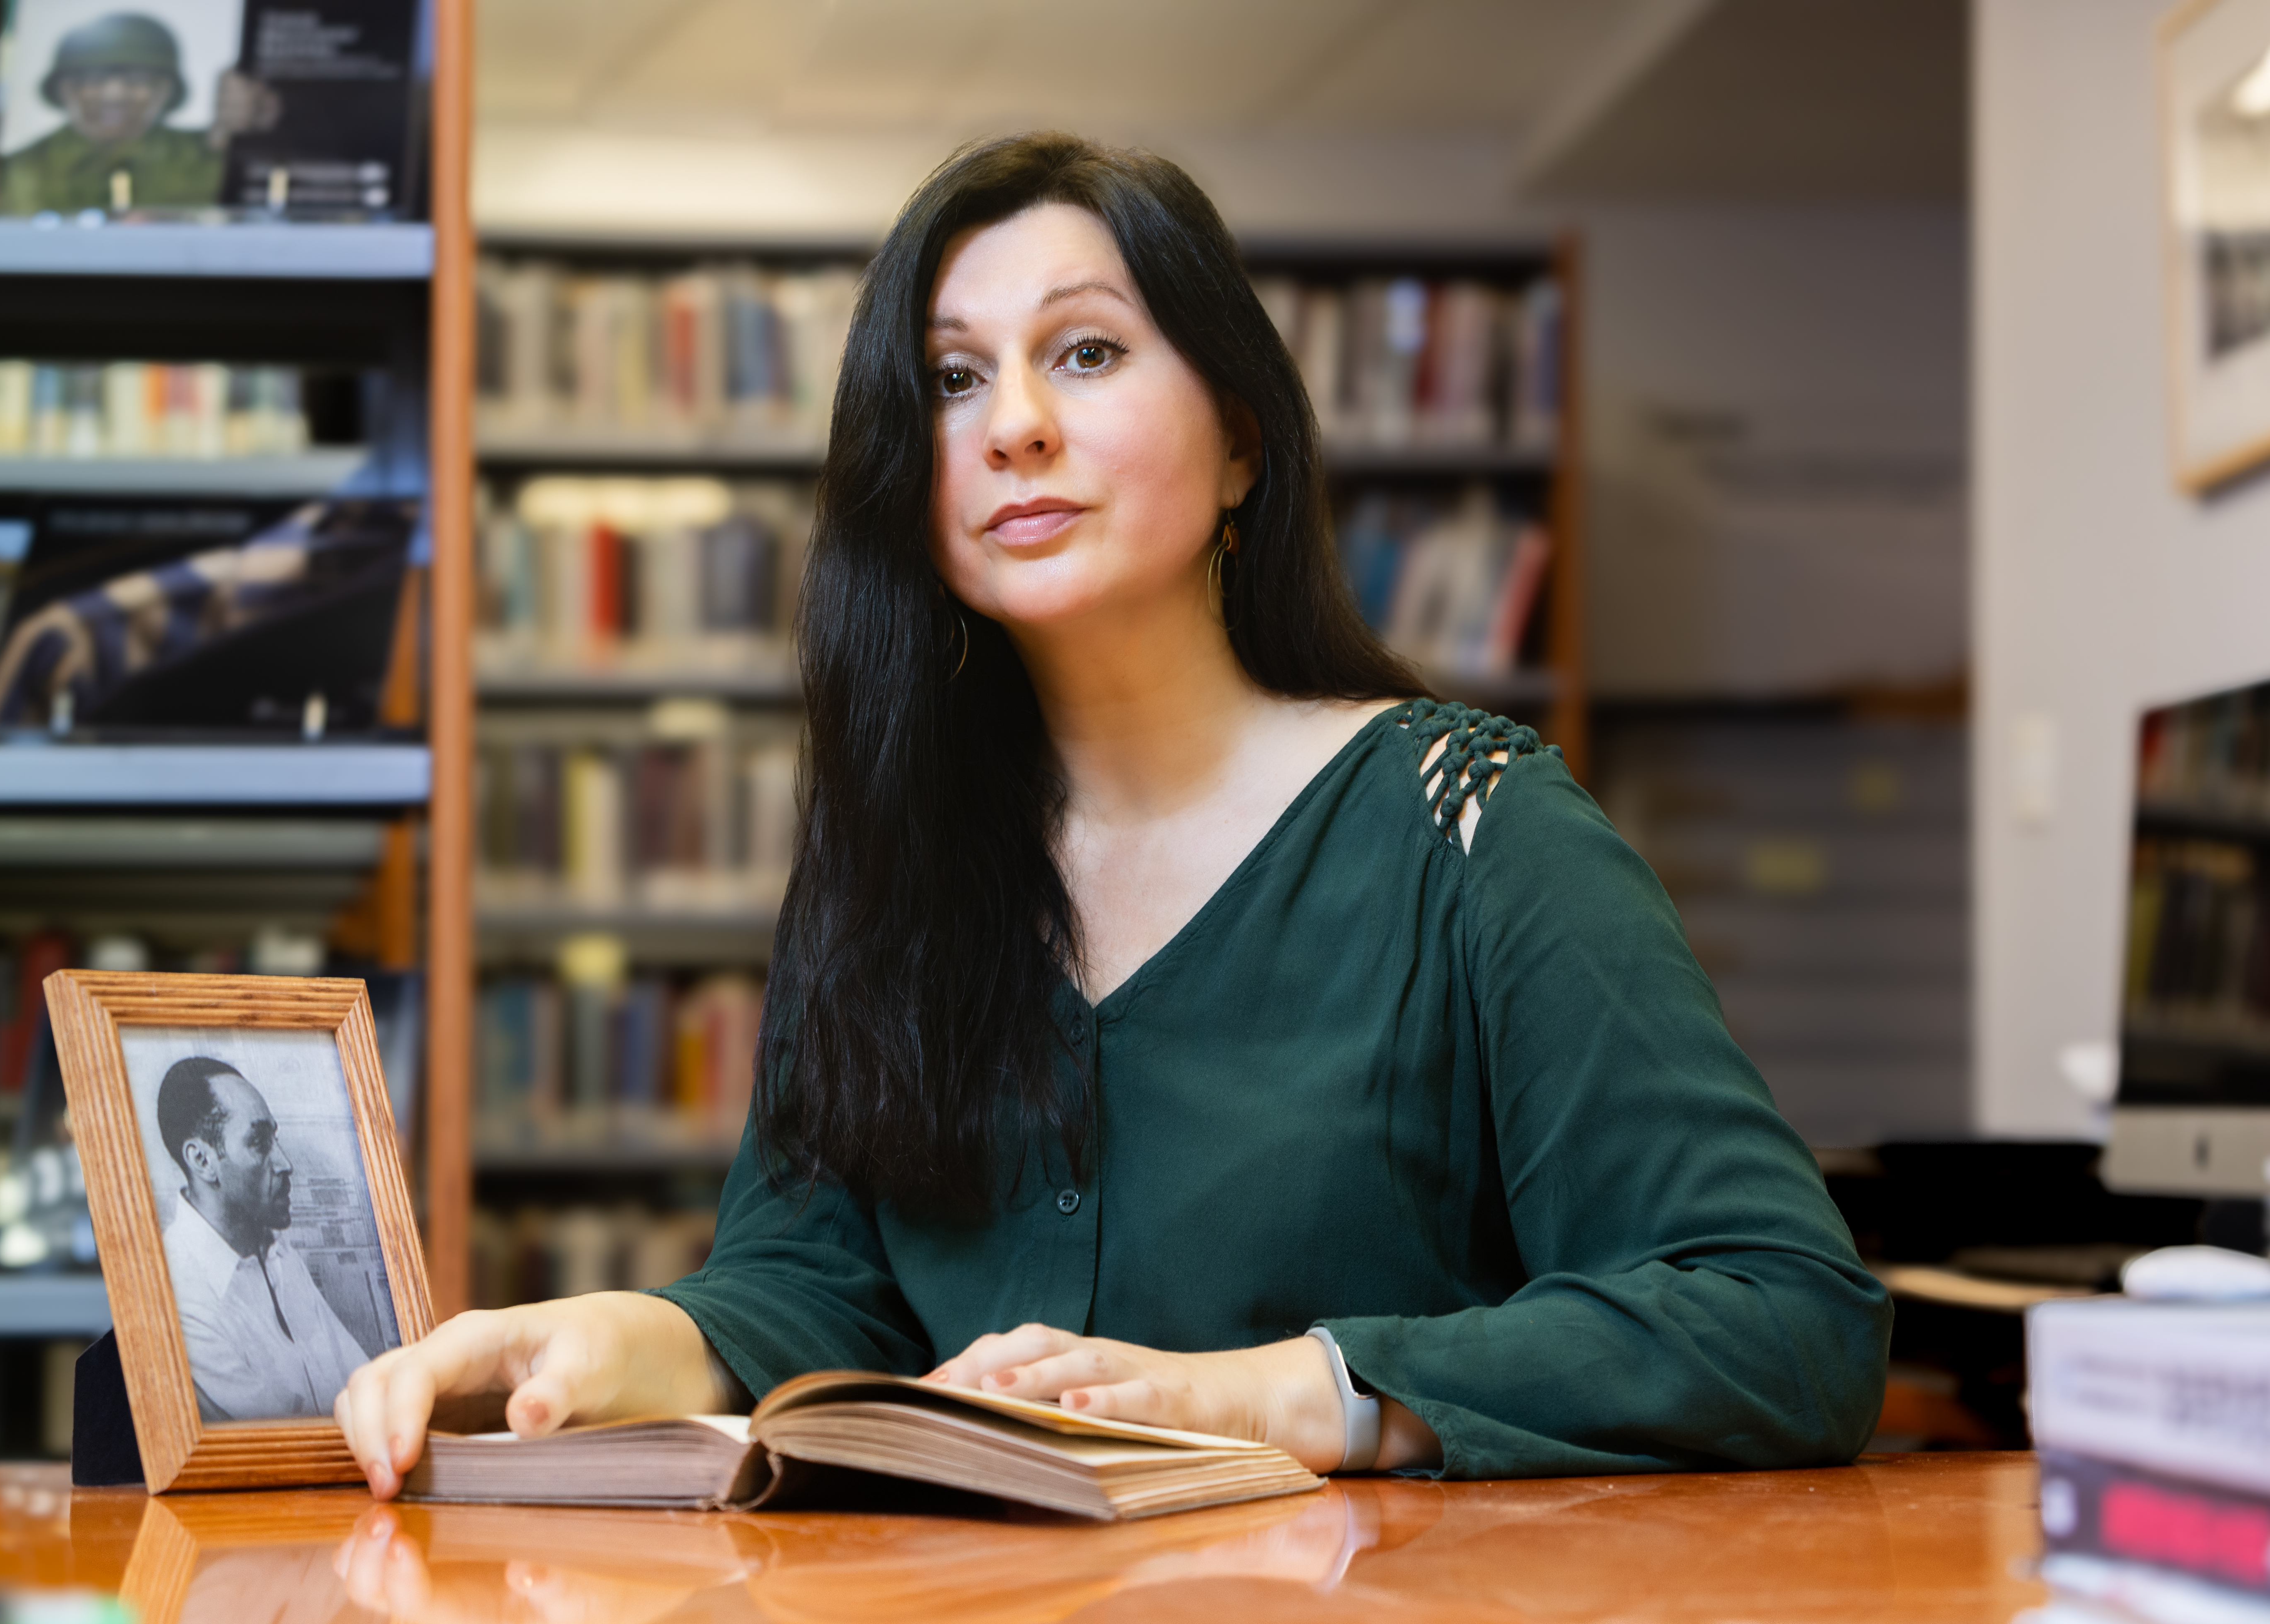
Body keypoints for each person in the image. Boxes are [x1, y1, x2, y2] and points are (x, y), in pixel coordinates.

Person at [337, 133, 1891, 1497]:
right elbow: (822, 1290)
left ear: (1240, 446)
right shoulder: (892, 866)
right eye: (951, 378)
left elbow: (1782, 1313)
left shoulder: (1470, 821)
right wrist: (612, 1335)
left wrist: (1295, 1391)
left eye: (1084, 353)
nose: (1010, 423)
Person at [157, 1056, 370, 1421]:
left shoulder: (279, 1255)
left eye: (275, 1139)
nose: (285, 1163)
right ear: (203, 1161)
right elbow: (287, 1440)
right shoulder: (175, 1295)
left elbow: (363, 1385)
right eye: (259, 1142)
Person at [0, 12, 275, 216]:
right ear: (65, 90)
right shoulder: (14, 171)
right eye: (94, 78)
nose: (115, 95)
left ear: (165, 91)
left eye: (137, 79)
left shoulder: (208, 158)